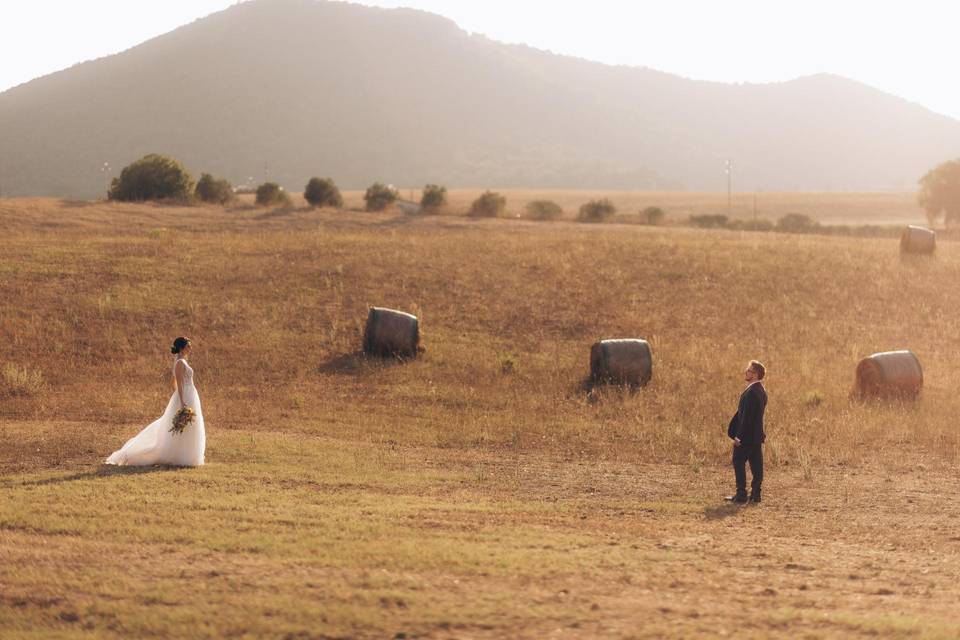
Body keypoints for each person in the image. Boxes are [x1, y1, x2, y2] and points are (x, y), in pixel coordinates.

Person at [106, 337, 206, 467]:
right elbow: (178, 383)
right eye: (188, 346)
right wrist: (181, 400)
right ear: (182, 348)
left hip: (189, 394)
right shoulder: (180, 362)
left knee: (188, 425)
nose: (190, 348)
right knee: (179, 425)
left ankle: (185, 454)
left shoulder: (181, 361)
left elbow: (173, 382)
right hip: (186, 396)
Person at [725, 360, 767, 504]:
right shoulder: (761, 390)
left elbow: (746, 418)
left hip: (747, 437)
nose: (746, 372)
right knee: (756, 465)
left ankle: (741, 494)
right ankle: (756, 494)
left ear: (755, 374)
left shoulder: (751, 392)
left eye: (748, 370)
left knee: (738, 461)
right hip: (756, 436)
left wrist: (738, 437)